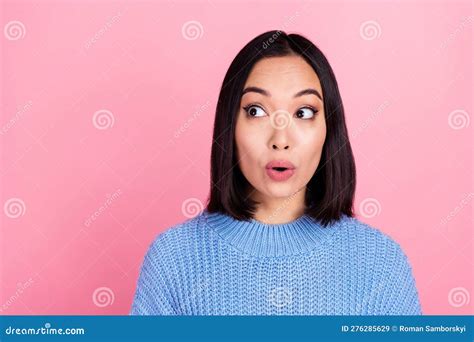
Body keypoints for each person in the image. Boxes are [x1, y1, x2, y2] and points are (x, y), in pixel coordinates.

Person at [130, 30, 422, 315]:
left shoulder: (381, 264)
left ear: (328, 130)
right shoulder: (173, 260)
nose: (280, 139)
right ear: (229, 127)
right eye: (256, 111)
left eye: (304, 112)